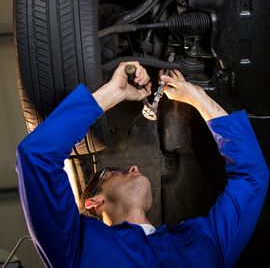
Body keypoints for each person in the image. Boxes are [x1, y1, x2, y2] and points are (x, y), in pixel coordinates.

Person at [16, 62, 269, 268]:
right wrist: (112, 93)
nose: (134, 168)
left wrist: (197, 96)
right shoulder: (75, 245)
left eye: (113, 172)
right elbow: (252, 176)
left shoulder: (203, 239)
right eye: (116, 171)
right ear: (92, 203)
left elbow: (36, 157)